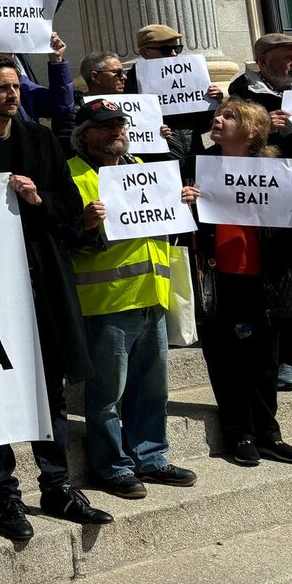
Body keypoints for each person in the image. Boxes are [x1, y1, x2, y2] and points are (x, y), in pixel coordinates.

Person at [0, 55, 112, 540]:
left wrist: (37, 198)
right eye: (3, 88)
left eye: (16, 87)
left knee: (48, 387)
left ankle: (57, 486)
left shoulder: (41, 141)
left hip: (43, 280)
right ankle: (6, 496)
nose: (13, 95)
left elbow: (71, 211)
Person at [66, 98, 199, 497]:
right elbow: (62, 238)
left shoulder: (142, 169)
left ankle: (151, 458)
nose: (117, 131)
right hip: (106, 300)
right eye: (106, 125)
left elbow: (161, 226)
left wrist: (180, 203)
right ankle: (112, 467)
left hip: (152, 295)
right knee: (107, 394)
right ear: (84, 135)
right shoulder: (71, 175)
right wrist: (84, 224)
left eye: (120, 124)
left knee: (152, 389)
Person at [193, 98, 292, 466]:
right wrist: (187, 203)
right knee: (228, 361)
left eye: (229, 116)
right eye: (218, 115)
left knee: (266, 362)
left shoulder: (277, 171)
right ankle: (240, 433)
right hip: (220, 282)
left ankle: (268, 434)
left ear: (252, 132)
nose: (218, 120)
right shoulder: (198, 167)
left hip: (267, 282)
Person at [229, 32, 292, 391]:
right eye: (286, 57)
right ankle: (282, 358)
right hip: (267, 201)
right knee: (277, 281)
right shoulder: (243, 94)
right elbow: (234, 140)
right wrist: (268, 126)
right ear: (265, 62)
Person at [123, 24, 223, 176]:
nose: (174, 54)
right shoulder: (131, 86)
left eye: (177, 48)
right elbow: (134, 133)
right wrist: (155, 133)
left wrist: (213, 103)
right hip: (159, 166)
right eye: (166, 50)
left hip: (193, 158)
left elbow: (203, 126)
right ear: (145, 52)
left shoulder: (188, 77)